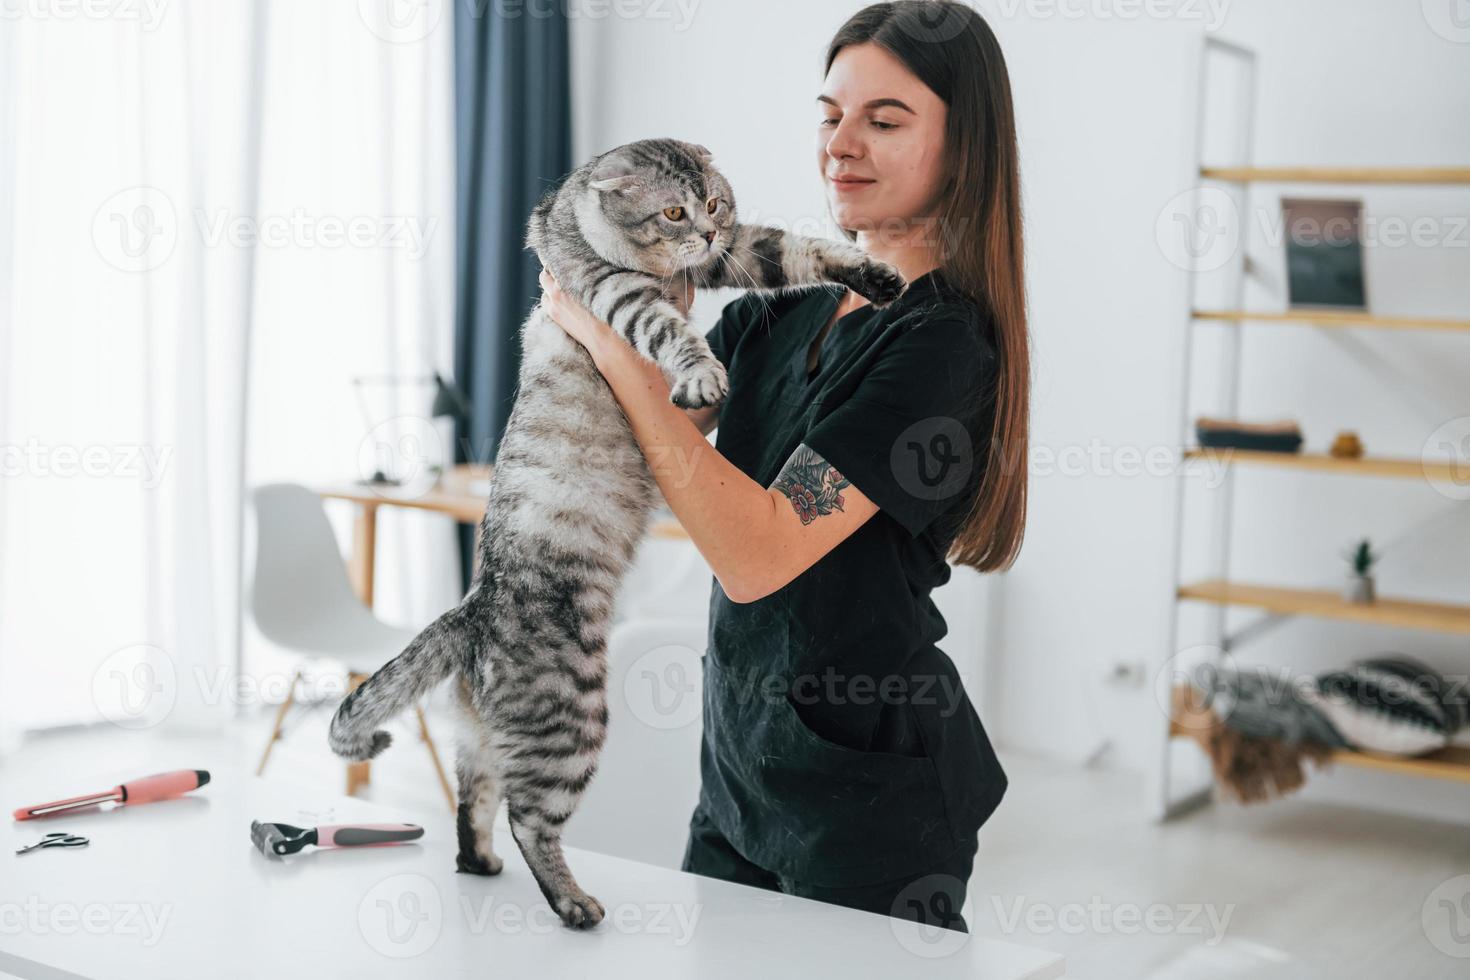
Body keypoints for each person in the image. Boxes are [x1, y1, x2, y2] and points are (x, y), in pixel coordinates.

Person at [538, 0, 1029, 932]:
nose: (842, 143)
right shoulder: (791, 306)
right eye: (831, 114)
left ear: (964, 150)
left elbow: (757, 550)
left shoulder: (942, 346)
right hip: (739, 770)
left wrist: (615, 354)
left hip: (871, 796)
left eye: (884, 121)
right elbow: (655, 414)